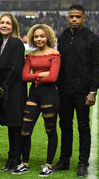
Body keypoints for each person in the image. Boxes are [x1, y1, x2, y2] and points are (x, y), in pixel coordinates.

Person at [53, 4, 99, 177]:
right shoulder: (63, 37)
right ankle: (64, 160)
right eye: (71, 16)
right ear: (68, 18)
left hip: (83, 92)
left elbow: (98, 67)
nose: (74, 19)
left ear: (84, 18)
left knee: (83, 127)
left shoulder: (92, 39)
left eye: (77, 16)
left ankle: (83, 162)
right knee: (65, 126)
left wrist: (93, 91)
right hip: (64, 91)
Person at [12, 24, 60, 177]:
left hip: (50, 95)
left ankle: (48, 165)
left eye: (42, 36)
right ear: (33, 38)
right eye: (36, 36)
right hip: (34, 94)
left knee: (50, 130)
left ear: (48, 37)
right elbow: (24, 77)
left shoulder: (55, 54)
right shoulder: (30, 55)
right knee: (25, 131)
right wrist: (41, 74)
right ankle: (25, 163)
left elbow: (53, 77)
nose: (39, 39)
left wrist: (37, 75)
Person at [0, 13, 27, 172]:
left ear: (13, 26)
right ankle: (12, 157)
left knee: (16, 125)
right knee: (10, 125)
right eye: (2, 23)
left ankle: (16, 159)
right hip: (4, 90)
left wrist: (3, 85)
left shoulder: (16, 42)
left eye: (8, 23)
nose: (5, 25)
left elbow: (16, 68)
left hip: (14, 90)